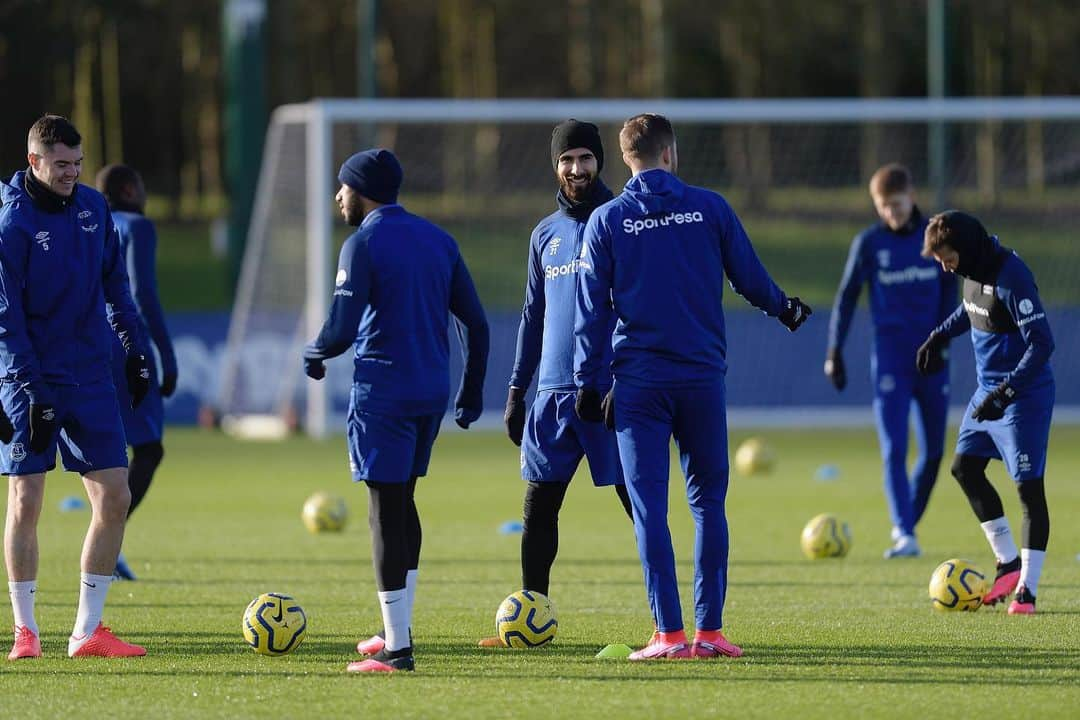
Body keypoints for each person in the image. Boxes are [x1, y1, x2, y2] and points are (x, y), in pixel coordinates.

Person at [574, 113, 811, 661]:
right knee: (708, 504)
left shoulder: (607, 221)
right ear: (670, 152)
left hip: (639, 385)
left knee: (650, 509)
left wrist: (589, 381)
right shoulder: (709, 207)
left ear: (623, 156)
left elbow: (591, 313)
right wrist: (786, 309)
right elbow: (749, 276)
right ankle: (710, 633)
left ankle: (669, 635)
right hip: (702, 379)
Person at [303, 148, 489, 672]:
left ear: (361, 190)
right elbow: (476, 323)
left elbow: (341, 329)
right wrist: (471, 390)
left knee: (384, 509)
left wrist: (312, 353)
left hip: (383, 392)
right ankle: (396, 627)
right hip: (430, 391)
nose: (338, 196)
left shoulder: (361, 243)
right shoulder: (439, 240)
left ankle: (397, 649)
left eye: (343, 187)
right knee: (404, 501)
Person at [477, 120, 634, 648]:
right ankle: (529, 617)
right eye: (567, 160)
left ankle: (672, 625)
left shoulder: (621, 221)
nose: (576, 169)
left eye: (585, 158)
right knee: (538, 509)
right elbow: (531, 315)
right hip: (551, 397)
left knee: (638, 504)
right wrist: (517, 391)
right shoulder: (544, 234)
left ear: (600, 163)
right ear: (555, 165)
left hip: (608, 393)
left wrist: (628, 376)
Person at [0, 114, 151, 659]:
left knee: (115, 495)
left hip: (89, 375)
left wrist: (135, 349)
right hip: (32, 379)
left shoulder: (93, 208)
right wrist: (28, 386)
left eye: (77, 164)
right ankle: (26, 631)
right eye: (60, 165)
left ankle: (88, 631)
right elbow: (5, 316)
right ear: (34, 162)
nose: (71, 174)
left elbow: (116, 284)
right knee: (26, 498)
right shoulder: (11, 224)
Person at [918, 210, 1054, 615]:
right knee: (965, 468)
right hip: (987, 393)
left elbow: (1042, 344)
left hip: (1022, 397)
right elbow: (972, 309)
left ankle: (1026, 591)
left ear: (967, 247)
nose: (945, 265)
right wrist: (939, 334)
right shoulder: (972, 271)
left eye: (948, 257)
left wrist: (1008, 390)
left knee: (1029, 491)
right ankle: (1007, 560)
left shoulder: (1013, 276)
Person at [824, 164, 955, 558]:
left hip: (933, 359)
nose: (891, 214)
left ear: (911, 197)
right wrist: (834, 351)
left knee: (933, 452)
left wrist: (943, 342)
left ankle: (907, 524)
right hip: (891, 363)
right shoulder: (869, 244)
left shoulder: (936, 235)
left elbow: (952, 290)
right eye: (883, 207)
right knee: (893, 448)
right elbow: (847, 298)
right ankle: (904, 532)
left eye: (896, 205)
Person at [95, 164, 179, 581]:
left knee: (102, 450)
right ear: (129, 189)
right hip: (127, 345)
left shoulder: (87, 220)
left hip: (87, 342)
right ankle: (108, 544)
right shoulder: (137, 227)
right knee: (148, 450)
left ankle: (104, 544)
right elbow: (142, 293)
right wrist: (166, 355)